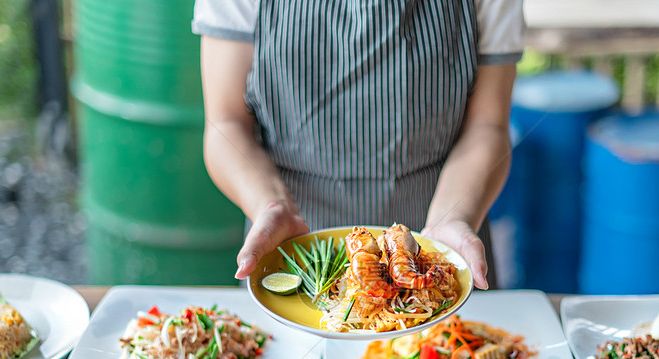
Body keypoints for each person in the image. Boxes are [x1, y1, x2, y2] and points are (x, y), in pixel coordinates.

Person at [193, 0, 523, 289]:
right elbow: (226, 123)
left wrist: (454, 217)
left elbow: (488, 125)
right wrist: (270, 206)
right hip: (292, 253)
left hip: (437, 246)